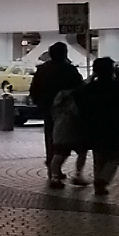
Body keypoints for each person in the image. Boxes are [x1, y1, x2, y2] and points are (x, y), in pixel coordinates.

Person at [74, 57, 119, 195]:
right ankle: (103, 180)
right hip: (115, 126)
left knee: (99, 157)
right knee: (114, 157)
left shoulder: (89, 88)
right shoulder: (118, 87)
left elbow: (79, 101)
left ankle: (99, 182)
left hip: (94, 126)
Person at [29, 42, 83, 179]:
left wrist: (40, 104)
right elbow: (80, 88)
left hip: (47, 109)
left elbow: (34, 90)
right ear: (65, 53)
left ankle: (52, 165)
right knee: (70, 138)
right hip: (67, 110)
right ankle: (67, 170)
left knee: (50, 137)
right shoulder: (70, 70)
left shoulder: (42, 70)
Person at [47, 88, 88, 189]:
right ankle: (78, 175)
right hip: (72, 129)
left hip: (59, 128)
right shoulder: (74, 96)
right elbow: (76, 112)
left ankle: (54, 177)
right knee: (81, 151)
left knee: (59, 153)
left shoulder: (58, 98)